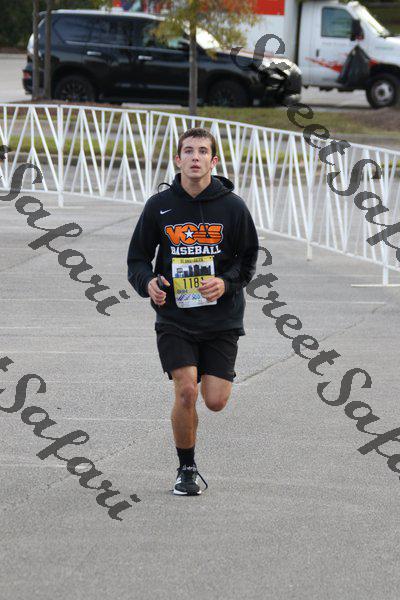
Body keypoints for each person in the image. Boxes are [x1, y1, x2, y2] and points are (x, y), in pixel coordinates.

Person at [127, 127, 259, 496]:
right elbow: (137, 259)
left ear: (213, 161)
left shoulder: (233, 207)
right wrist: (148, 283)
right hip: (176, 317)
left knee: (214, 401)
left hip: (221, 319)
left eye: (202, 151)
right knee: (186, 391)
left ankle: (210, 370)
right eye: (188, 151)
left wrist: (225, 283)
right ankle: (186, 469)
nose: (195, 157)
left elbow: (248, 259)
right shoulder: (159, 206)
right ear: (178, 159)